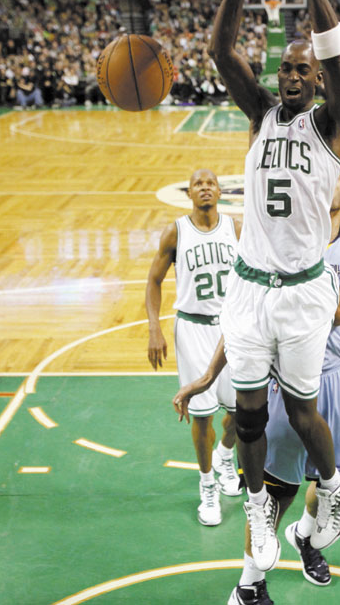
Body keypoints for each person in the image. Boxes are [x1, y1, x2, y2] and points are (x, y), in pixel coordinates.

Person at [206, 0, 340, 577]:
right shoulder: (260, 113)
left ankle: (335, 482)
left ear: (318, 78)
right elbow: (220, 51)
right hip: (248, 288)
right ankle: (256, 504)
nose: (292, 75)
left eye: (304, 68)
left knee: (301, 411)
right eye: (286, 68)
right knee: (248, 414)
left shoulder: (336, 124)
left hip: (302, 289)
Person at [173, 171, 340, 604]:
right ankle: (249, 584)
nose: (324, 190)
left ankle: (304, 538)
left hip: (337, 374)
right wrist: (208, 375)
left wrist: (287, 293)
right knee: (271, 498)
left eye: (332, 183)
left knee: (332, 481)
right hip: (289, 381)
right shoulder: (275, 244)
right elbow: (247, 320)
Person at [146, 168, 242, 526]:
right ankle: (207, 487)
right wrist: (154, 327)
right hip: (192, 328)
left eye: (211, 183)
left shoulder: (236, 228)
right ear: (188, 193)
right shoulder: (176, 230)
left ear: (220, 192)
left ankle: (226, 456)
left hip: (231, 330)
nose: (205, 188)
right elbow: (153, 281)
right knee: (202, 416)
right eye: (198, 184)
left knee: (242, 411)